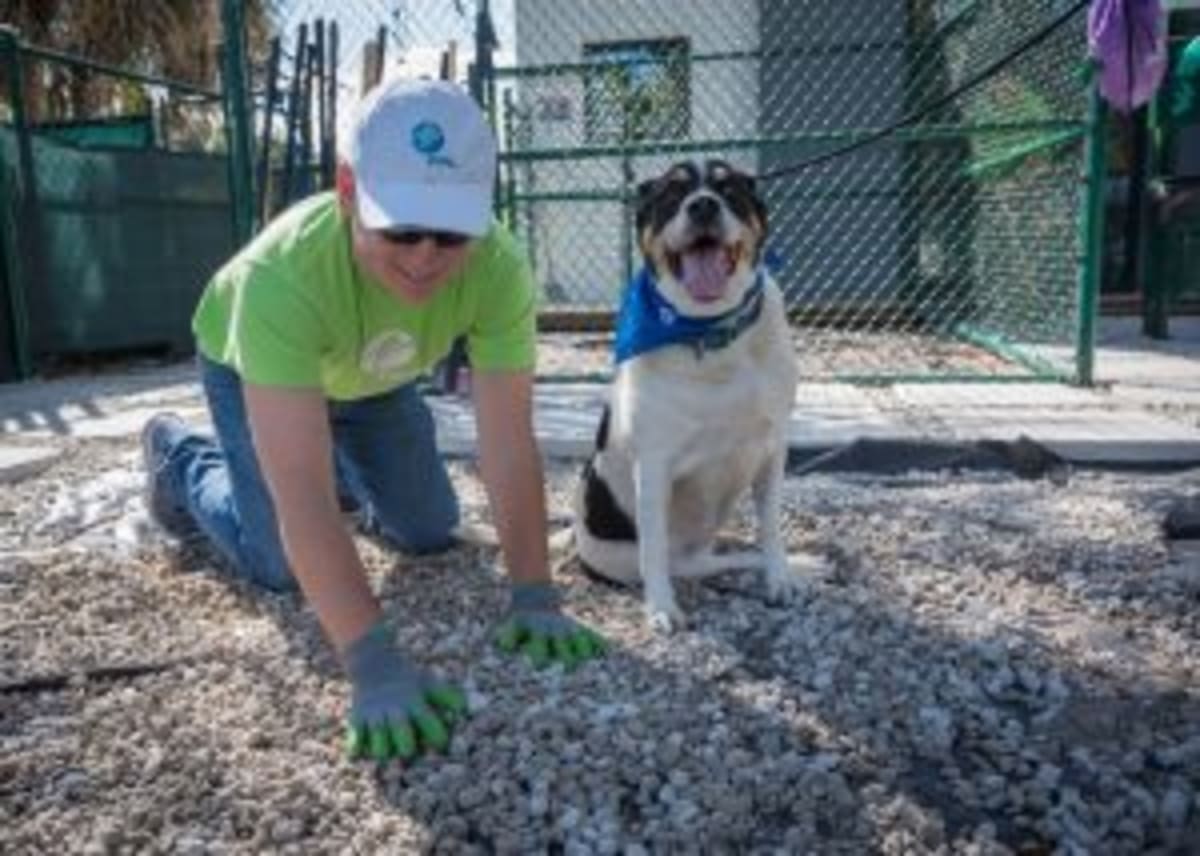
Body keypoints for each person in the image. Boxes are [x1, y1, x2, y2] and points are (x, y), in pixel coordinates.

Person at [140, 77, 606, 762]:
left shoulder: (501, 268)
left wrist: (535, 594)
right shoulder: (279, 278)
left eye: (451, 234)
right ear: (348, 191)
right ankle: (179, 458)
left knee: (428, 529)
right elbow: (301, 493)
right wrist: (372, 662)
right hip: (248, 364)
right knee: (278, 563)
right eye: (402, 229)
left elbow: (509, 442)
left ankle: (340, 454)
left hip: (376, 378)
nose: (424, 258)